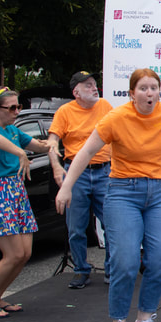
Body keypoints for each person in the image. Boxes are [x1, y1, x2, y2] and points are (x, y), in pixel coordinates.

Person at [55, 68, 161, 322]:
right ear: (132, 93)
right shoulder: (117, 117)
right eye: (144, 89)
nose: (150, 94)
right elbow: (86, 151)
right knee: (125, 263)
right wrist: (66, 186)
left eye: (154, 88)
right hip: (123, 192)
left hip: (157, 192)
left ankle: (144, 319)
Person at [0, 87, 52, 318]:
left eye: (19, 107)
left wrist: (56, 141)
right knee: (14, 254)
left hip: (16, 193)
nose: (17, 112)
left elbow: (38, 145)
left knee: (25, 253)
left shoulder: (13, 131)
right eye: (12, 108)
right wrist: (19, 153)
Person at [47, 71, 113, 289]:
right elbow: (52, 141)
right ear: (76, 92)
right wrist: (56, 167)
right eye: (88, 85)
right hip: (76, 174)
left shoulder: (105, 106)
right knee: (76, 227)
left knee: (111, 224)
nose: (95, 88)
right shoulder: (64, 112)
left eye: (95, 84)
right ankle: (81, 270)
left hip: (104, 171)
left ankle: (111, 270)